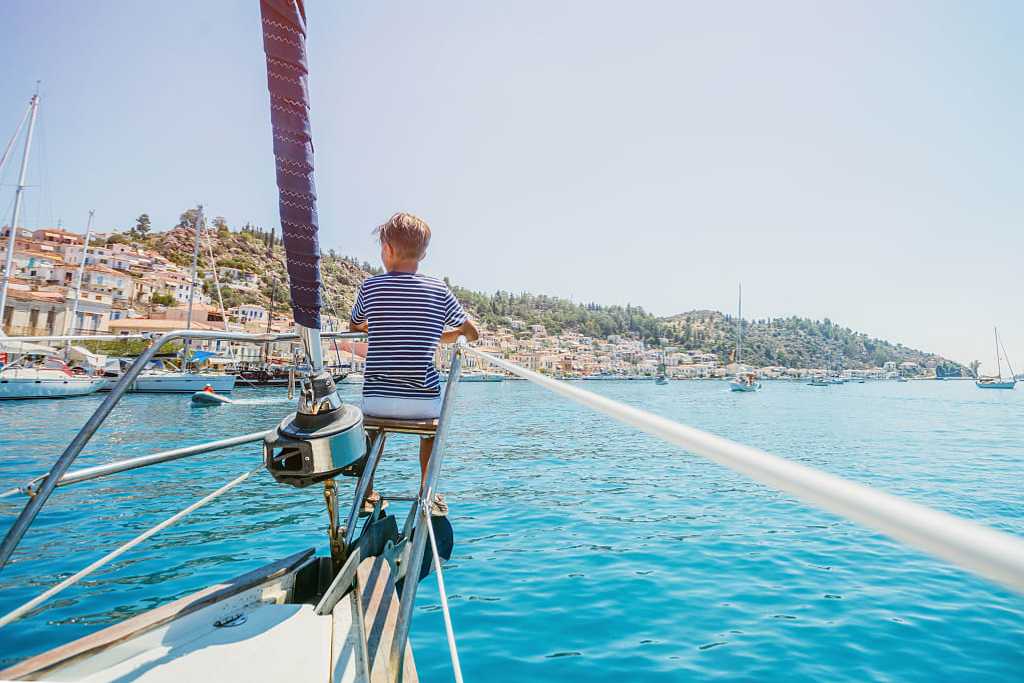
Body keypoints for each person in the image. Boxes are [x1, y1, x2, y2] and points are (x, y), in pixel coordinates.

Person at [349, 212, 479, 515]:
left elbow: (355, 324)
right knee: (430, 433)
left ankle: (367, 492)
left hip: (376, 401)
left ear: (388, 250)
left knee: (372, 433)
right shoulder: (438, 290)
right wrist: (440, 333)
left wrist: (377, 326)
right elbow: (471, 332)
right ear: (423, 253)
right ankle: (426, 490)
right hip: (422, 404)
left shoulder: (371, 287)